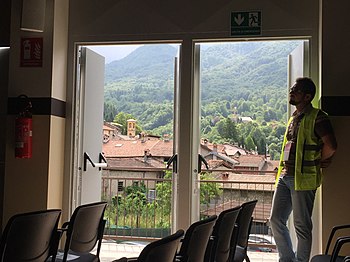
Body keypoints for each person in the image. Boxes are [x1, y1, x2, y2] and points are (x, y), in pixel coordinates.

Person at [270, 77, 337, 262]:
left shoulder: (318, 116)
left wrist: (319, 160)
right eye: (292, 88)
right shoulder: (294, 118)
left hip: (304, 179)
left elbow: (331, 146)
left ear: (307, 96)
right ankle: (287, 259)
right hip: (285, 177)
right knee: (275, 220)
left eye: (296, 90)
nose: (291, 91)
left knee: (302, 226)